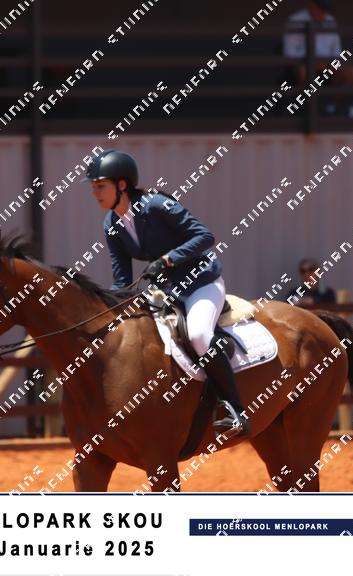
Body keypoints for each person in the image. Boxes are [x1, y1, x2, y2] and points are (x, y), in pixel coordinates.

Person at [82, 149, 248, 438]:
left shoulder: (157, 205)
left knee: (199, 335)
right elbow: (122, 280)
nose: (95, 193)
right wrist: (107, 309)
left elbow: (204, 236)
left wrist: (169, 259)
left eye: (100, 186)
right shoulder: (111, 225)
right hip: (166, 290)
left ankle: (235, 410)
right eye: (93, 187)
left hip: (201, 282)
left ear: (122, 185)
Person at [282, 0, 353, 116]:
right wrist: (314, 63)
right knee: (302, 72)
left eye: (325, 9)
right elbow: (290, 54)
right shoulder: (295, 20)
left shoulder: (330, 21)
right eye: (320, 8)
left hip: (327, 67)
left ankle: (332, 107)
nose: (323, 13)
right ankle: (305, 111)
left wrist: (331, 65)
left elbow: (337, 53)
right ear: (312, 5)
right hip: (305, 65)